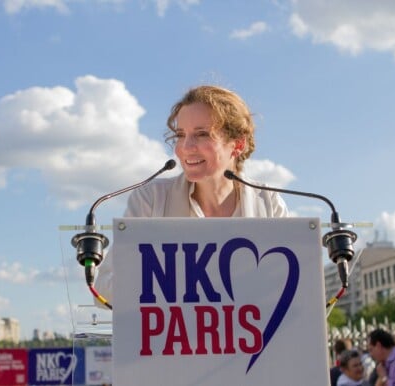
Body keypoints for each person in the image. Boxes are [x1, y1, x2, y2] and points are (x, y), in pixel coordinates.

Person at [94, 85, 289, 303]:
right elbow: (105, 288)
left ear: (238, 144)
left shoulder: (268, 203)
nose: (185, 147)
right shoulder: (151, 199)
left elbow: (293, 286)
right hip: (171, 335)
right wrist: (191, 284)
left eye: (202, 134)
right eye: (180, 135)